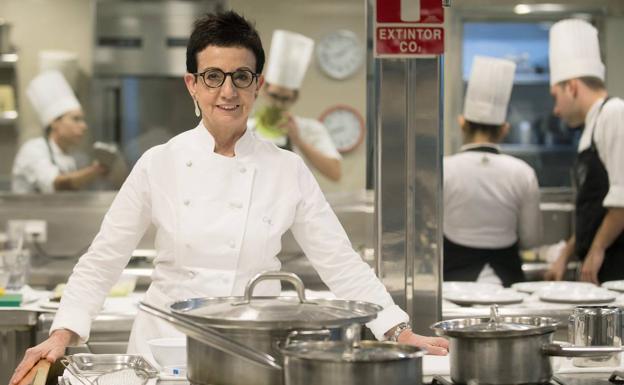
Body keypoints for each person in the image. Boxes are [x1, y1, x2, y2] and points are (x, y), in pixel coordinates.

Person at [10, 10, 447, 385]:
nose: (227, 91)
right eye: (213, 77)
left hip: (253, 350)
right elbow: (104, 257)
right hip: (167, 349)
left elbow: (339, 260)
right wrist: (62, 332)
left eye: (241, 77)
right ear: (192, 85)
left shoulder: (286, 168)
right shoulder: (158, 162)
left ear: (257, 84)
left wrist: (396, 328)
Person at [444, 56, 542, 287]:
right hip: (507, 282)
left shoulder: (444, 169)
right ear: (504, 129)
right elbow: (531, 239)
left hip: (454, 284)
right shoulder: (523, 172)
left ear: (462, 123)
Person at [544, 19, 624, 284]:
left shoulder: (615, 113)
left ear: (573, 87)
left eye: (555, 96)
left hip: (617, 265)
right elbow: (594, 209)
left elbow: (622, 198)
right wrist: (566, 254)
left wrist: (598, 248)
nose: (555, 110)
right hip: (603, 266)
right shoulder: (591, 127)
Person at [248, 29, 342, 181]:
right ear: (263, 90)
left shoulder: (311, 129)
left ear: (294, 98)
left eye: (285, 99)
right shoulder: (246, 129)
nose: (278, 103)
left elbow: (335, 173)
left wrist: (298, 140)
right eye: (274, 96)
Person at [11, 70, 108, 193]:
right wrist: (94, 171)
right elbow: (57, 184)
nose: (84, 126)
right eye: (76, 119)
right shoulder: (33, 150)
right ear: (54, 123)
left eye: (82, 120)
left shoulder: (74, 157)